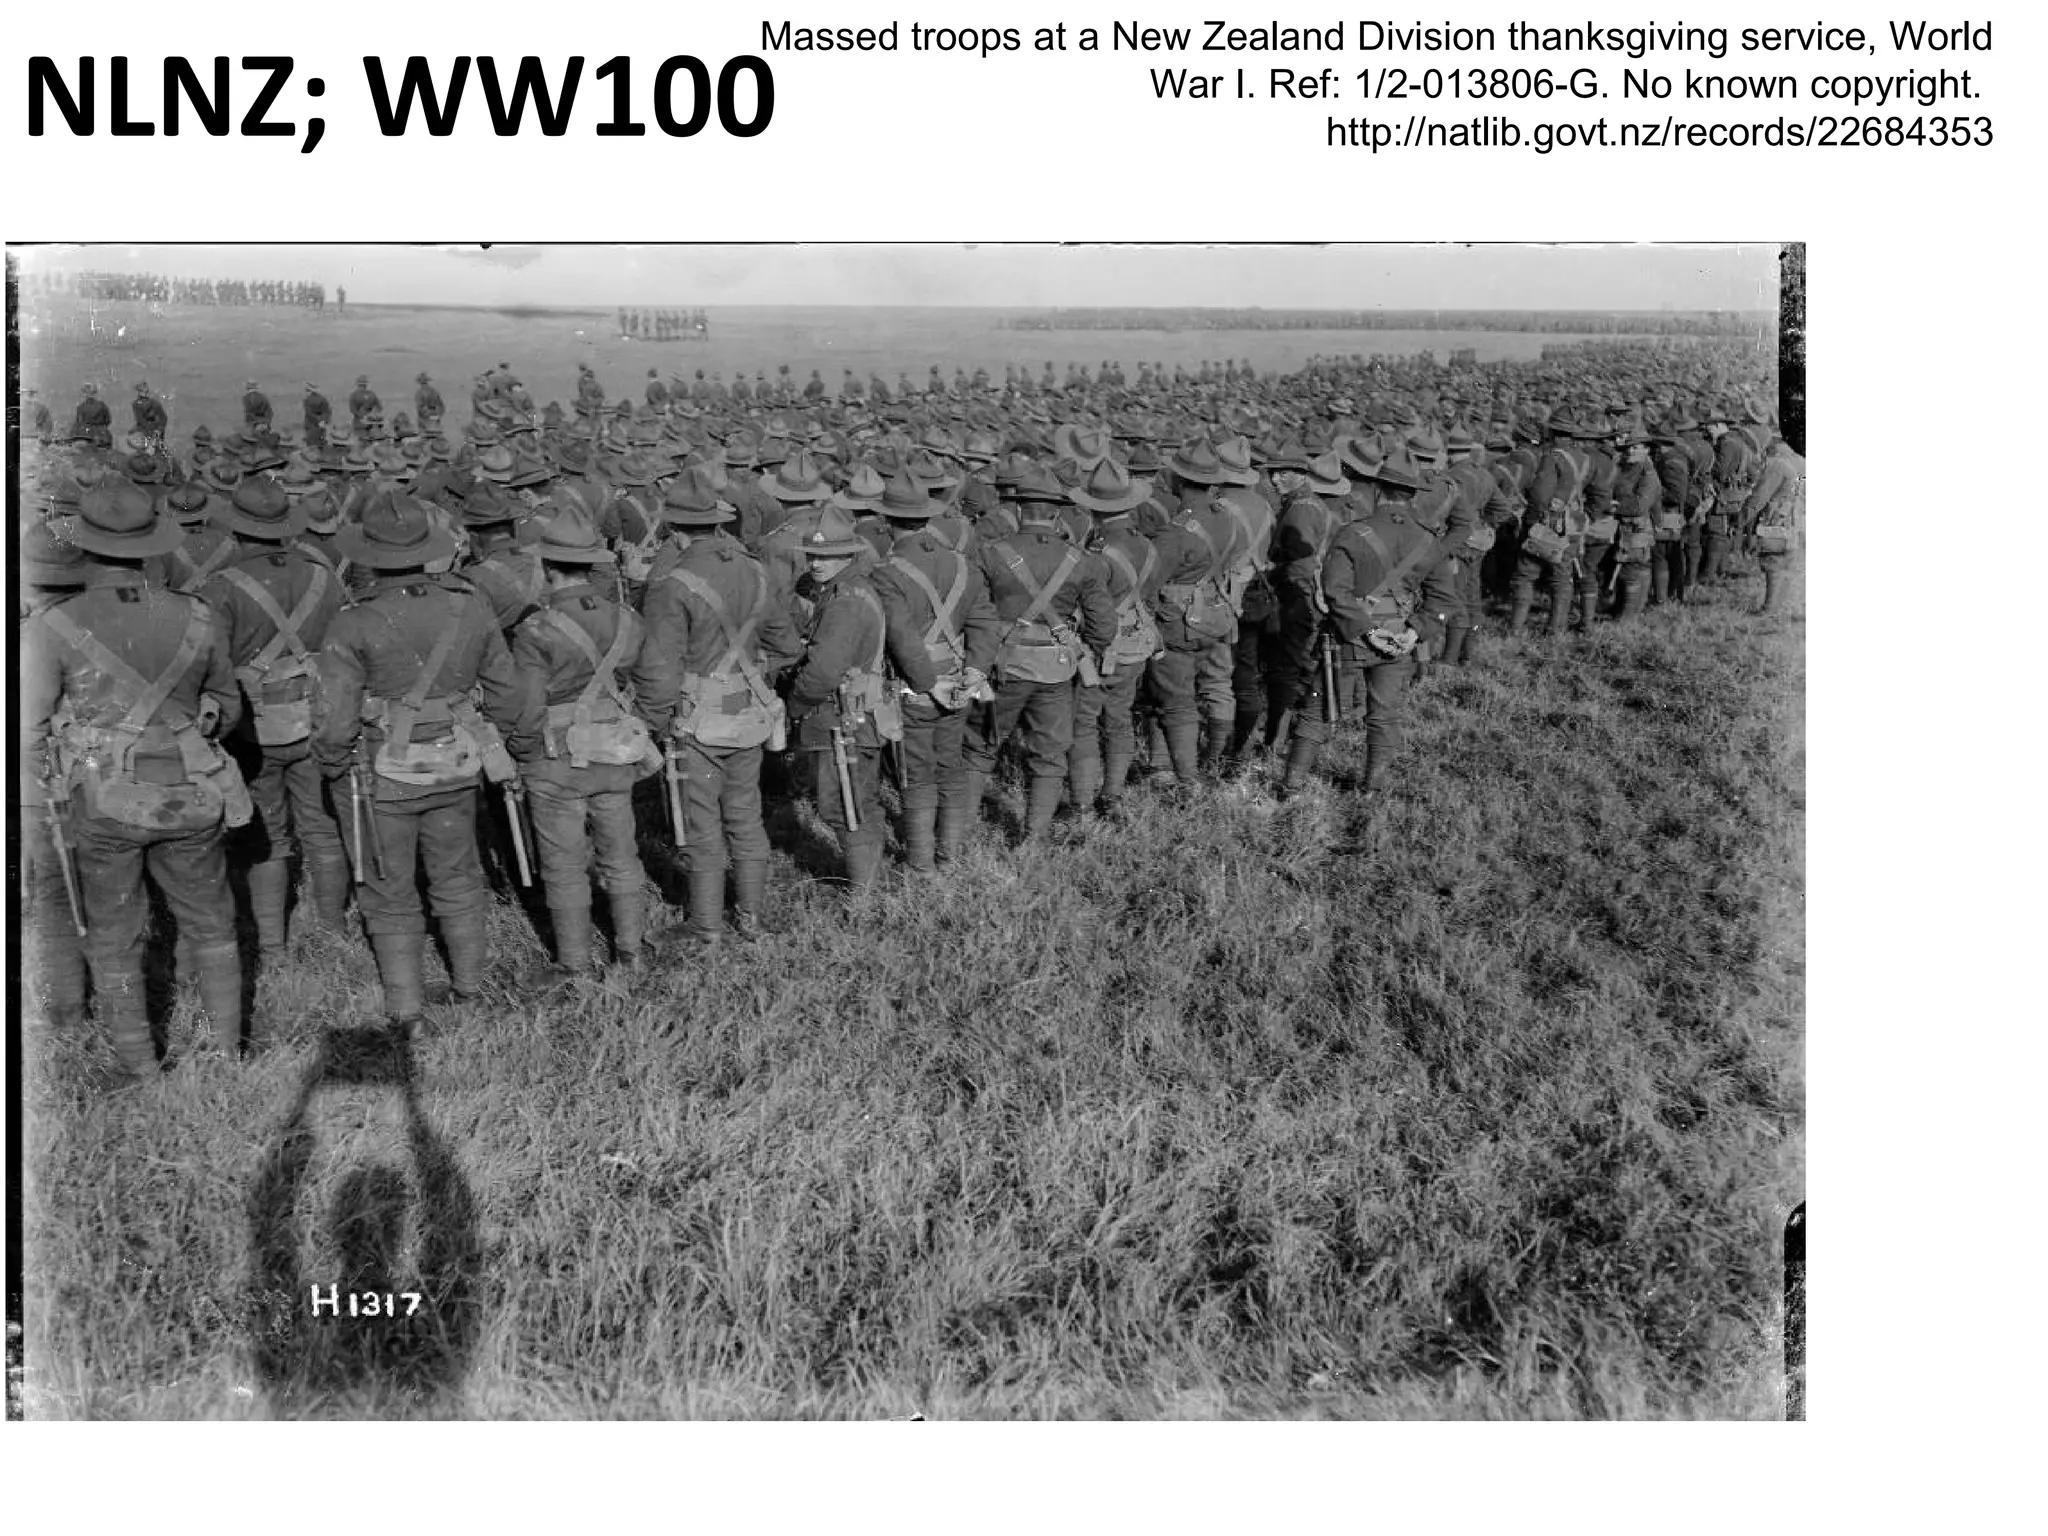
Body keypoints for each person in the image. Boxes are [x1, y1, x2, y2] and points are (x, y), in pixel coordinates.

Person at [24, 481, 251, 1084]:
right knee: (212, 923)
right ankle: (227, 1053)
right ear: (152, 543)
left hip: (103, 801)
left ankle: (139, 1066)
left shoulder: (55, 624)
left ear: (86, 546)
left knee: (115, 932)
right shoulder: (197, 615)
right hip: (190, 791)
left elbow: (27, 727)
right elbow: (227, 706)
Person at [311, 492, 545, 1028]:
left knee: (388, 891)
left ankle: (406, 1012)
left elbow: (334, 718)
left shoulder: (353, 622)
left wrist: (332, 764)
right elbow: (506, 692)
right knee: (459, 877)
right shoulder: (469, 605)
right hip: (457, 764)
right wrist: (505, 746)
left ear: (370, 555)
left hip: (382, 775)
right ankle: (471, 991)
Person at [633, 475, 803, 940]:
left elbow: (660, 672)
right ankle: (751, 917)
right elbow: (787, 646)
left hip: (696, 723)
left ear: (675, 530)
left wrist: (649, 725)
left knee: (701, 823)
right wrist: (751, 675)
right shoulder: (755, 571)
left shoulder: (671, 586)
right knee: (745, 816)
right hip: (749, 715)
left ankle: (706, 924)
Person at [200, 474, 349, 967]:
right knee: (322, 827)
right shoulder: (323, 576)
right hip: (316, 720)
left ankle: (272, 948)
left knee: (266, 835)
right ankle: (333, 928)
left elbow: (211, 666)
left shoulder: (220, 588)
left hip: (253, 730)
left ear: (235, 529)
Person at [508, 506, 658, 979]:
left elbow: (527, 710)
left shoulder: (535, 630)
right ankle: (630, 952)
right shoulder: (627, 619)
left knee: (564, 864)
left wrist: (521, 754)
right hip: (615, 752)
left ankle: (574, 966)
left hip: (556, 761)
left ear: (547, 567)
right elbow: (653, 685)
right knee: (621, 854)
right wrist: (640, 729)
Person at [783, 507, 936, 898]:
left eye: (826, 556)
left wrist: (793, 708)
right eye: (811, 555)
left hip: (842, 718)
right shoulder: (849, 589)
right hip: (855, 714)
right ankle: (871, 884)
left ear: (847, 554)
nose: (815, 563)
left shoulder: (844, 601)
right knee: (856, 800)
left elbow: (822, 672)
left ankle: (863, 897)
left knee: (843, 804)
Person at [1280, 447, 1446, 798]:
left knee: (1317, 711)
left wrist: (1368, 628)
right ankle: (1372, 790)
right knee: (1385, 716)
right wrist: (1415, 632)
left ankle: (1291, 790)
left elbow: (1334, 590)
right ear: (1413, 493)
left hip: (1349, 637)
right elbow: (1444, 599)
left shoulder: (1354, 533)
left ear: (1377, 489)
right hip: (1399, 640)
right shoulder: (1430, 540)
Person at [966, 463, 1116, 844]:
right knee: (1049, 757)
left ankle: (960, 837)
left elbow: (972, 613)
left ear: (1018, 509)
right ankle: (1033, 841)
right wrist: (1080, 650)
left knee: (979, 749)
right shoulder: (1081, 559)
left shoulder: (990, 554)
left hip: (1002, 668)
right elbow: (1104, 627)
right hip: (1056, 671)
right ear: (1057, 513)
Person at [869, 467, 1000, 870]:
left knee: (917, 774)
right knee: (951, 765)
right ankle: (949, 855)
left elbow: (902, 637)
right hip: (960, 681)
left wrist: (926, 683)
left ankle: (921, 865)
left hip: (915, 686)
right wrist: (976, 671)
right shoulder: (962, 564)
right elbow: (985, 621)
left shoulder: (886, 571)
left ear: (886, 520)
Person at [1066, 457, 1163, 819]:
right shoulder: (1147, 545)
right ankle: (1113, 795)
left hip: (1100, 649)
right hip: (1136, 645)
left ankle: (1082, 802)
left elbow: (1089, 605)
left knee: (1084, 722)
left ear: (1094, 507)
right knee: (1120, 718)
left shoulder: (1097, 553)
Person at [1741, 435, 1805, 615]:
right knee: (1785, 564)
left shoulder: (1777, 465)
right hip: (1793, 520)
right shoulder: (1800, 462)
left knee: (1772, 563)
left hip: (1775, 521)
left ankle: (1770, 608)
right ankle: (1781, 606)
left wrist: (1742, 519)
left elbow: (1759, 497)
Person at [72, 382, 113, 448]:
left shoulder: (81, 407)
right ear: (94, 393)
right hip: (102, 435)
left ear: (85, 394)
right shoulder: (102, 405)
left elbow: (78, 423)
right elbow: (108, 420)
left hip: (86, 435)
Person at [302, 381, 332, 448]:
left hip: (311, 424)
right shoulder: (323, 399)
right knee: (321, 441)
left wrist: (318, 420)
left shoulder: (307, 400)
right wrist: (323, 420)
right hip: (321, 424)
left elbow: (308, 413)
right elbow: (328, 411)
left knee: (311, 443)